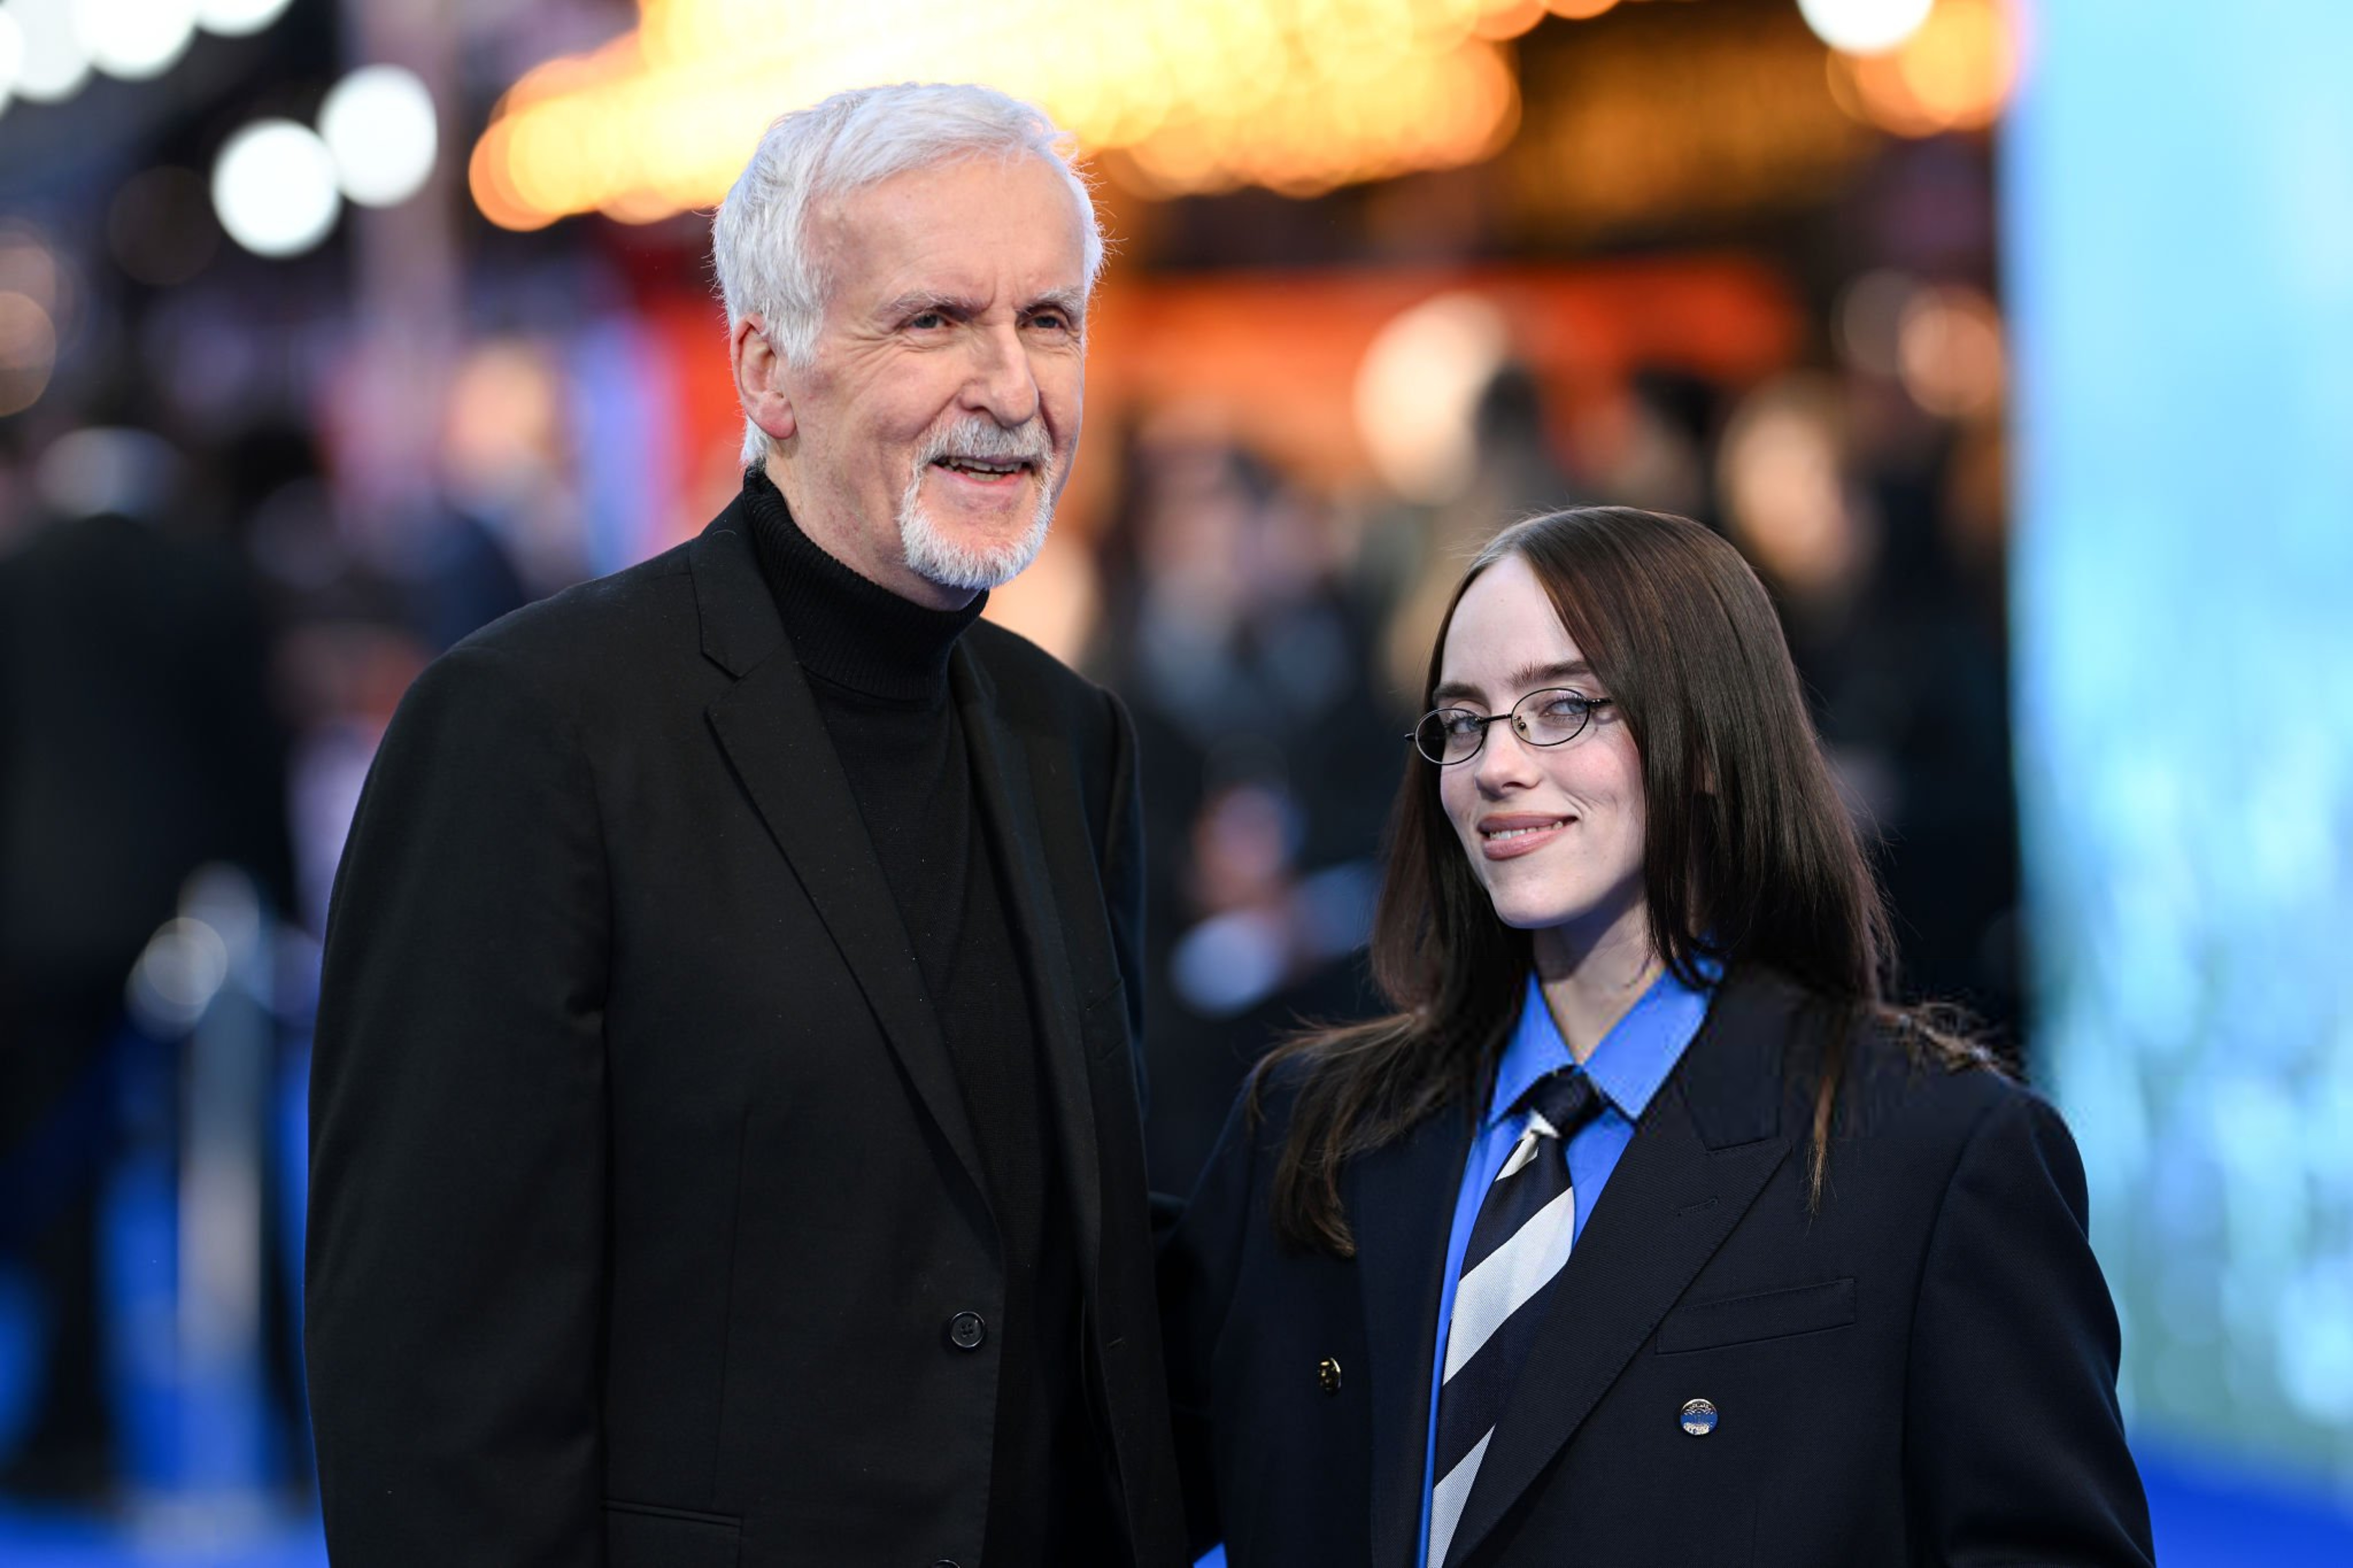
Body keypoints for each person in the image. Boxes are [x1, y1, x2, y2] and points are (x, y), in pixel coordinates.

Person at [306, 84, 1185, 1568]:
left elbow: (1079, 1269)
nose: (1009, 384)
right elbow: (432, 1380)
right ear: (768, 373)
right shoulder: (532, 726)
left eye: (1047, 321)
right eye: (932, 321)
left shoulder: (1069, 736)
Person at [1159, 507, 2153, 1567]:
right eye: (1462, 720)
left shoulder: (1937, 1153)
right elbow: (1106, 1478)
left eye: (1561, 707)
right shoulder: (1313, 1131)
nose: (1496, 764)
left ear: (1709, 742)